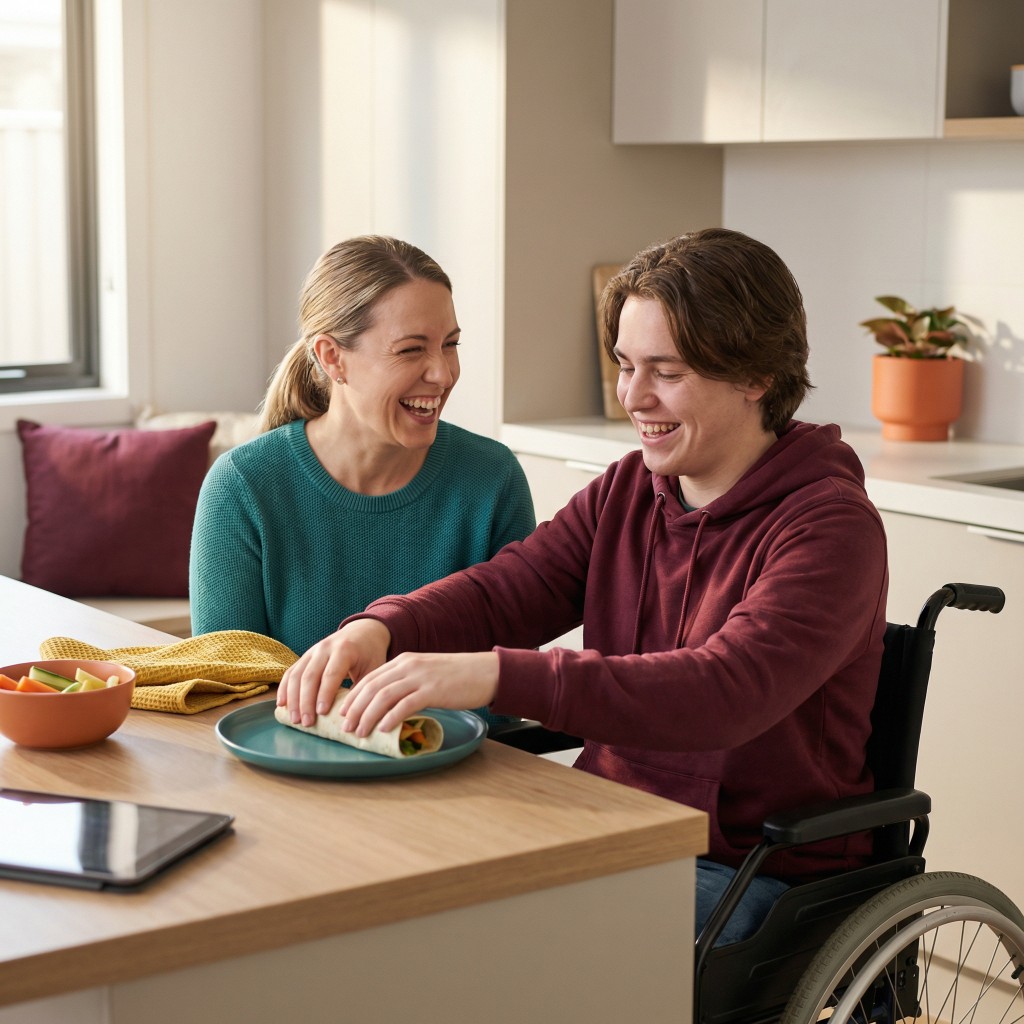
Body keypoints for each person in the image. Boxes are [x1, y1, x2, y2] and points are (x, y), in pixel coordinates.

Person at [278, 228, 889, 943]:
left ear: (755, 375)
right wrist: (380, 628)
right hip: (615, 824)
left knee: (480, 940)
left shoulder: (830, 527)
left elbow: (723, 691)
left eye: (666, 370)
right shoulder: (633, 488)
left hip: (751, 868)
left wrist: (489, 675)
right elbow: (510, 589)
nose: (634, 396)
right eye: (627, 365)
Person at [190, 235, 536, 726]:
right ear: (332, 357)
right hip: (294, 780)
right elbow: (231, 703)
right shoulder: (242, 488)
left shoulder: (493, 480)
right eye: (411, 349)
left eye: (450, 344)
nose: (442, 372)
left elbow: (509, 698)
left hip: (464, 781)